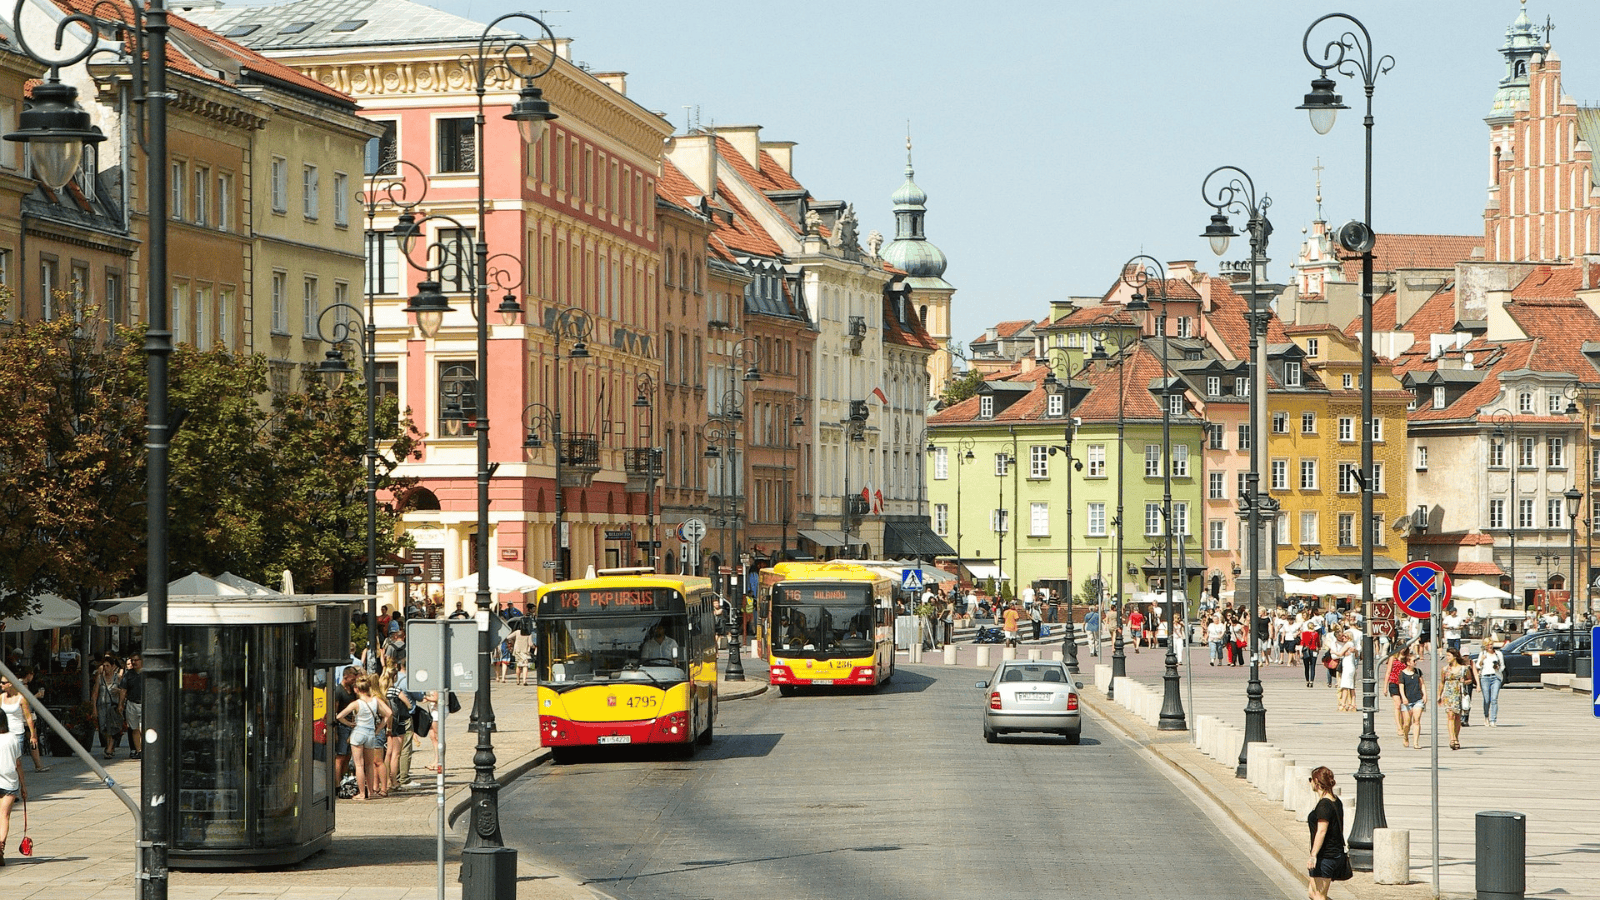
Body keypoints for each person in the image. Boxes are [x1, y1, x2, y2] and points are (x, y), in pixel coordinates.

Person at [336, 674, 391, 800]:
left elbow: (339, 716)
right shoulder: (375, 701)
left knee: (359, 765)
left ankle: (362, 793)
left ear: (356, 689)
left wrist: (350, 723)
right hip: (370, 734)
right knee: (370, 765)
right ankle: (370, 792)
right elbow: (389, 713)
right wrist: (379, 728)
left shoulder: (356, 703)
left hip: (358, 732)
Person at [1305, 766, 1349, 900]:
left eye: (1310, 780)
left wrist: (1313, 855)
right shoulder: (1336, 801)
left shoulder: (1324, 805)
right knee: (1313, 893)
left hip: (1326, 856)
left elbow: (1322, 831)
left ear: (1316, 782)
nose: (1310, 783)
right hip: (1333, 854)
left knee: (1319, 895)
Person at [0, 675, 46, 773]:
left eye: (3, 683)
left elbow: (28, 717)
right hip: (4, 734)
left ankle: (17, 782)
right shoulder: (1, 697)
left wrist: (33, 735)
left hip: (17, 733)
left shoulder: (21, 698)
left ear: (10, 684)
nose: (1, 685)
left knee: (16, 761)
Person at [0, 711, 25, 867]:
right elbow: (18, 764)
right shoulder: (12, 738)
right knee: (4, 815)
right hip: (10, 782)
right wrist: (24, 786)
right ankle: (1, 846)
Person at [92, 654, 123, 760]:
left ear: (113, 666)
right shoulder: (100, 678)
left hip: (112, 706)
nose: (105, 668)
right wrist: (94, 708)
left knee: (111, 727)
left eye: (107, 666)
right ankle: (110, 746)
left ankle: (109, 748)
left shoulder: (118, 678)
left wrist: (120, 701)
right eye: (104, 666)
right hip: (102, 705)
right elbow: (95, 693)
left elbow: (124, 692)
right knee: (103, 728)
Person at [331, 665, 359, 781]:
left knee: (348, 756)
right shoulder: (338, 691)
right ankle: (337, 784)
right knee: (340, 757)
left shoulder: (352, 690)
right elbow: (335, 712)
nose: (354, 682)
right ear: (346, 677)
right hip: (342, 726)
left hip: (350, 725)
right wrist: (345, 724)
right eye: (352, 679)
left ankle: (344, 780)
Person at [1439, 647, 1469, 751]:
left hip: (1458, 693)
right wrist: (1439, 695)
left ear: (1455, 656)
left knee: (1457, 717)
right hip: (1448, 694)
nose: (1447, 658)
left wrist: (1464, 681)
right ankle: (1452, 739)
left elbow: (1470, 680)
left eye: (1448, 656)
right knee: (1450, 715)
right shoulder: (1444, 669)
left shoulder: (1463, 669)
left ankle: (1456, 737)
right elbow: (1442, 682)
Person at [1398, 653, 1426, 749]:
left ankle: (1416, 743)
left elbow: (1422, 684)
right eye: (1414, 661)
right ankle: (1406, 737)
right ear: (1408, 662)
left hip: (1417, 699)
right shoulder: (1402, 674)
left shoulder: (1418, 672)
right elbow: (1401, 687)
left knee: (1417, 720)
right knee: (1407, 723)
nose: (1415, 663)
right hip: (1407, 700)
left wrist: (1425, 695)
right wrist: (1404, 698)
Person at [119, 652, 144, 760]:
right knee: (134, 728)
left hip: (144, 704)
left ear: (141, 661)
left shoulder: (146, 673)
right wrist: (120, 704)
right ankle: (139, 751)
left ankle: (144, 749)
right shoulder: (128, 674)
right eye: (132, 660)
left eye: (136, 660)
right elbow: (123, 690)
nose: (133, 662)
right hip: (132, 703)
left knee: (143, 728)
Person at [1475, 638, 1506, 726]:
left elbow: (1503, 666)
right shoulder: (1483, 654)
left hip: (1496, 677)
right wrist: (1481, 659)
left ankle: (1493, 719)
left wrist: (1498, 668)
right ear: (1485, 646)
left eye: (1491, 644)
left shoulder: (1498, 654)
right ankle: (1486, 716)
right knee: (1487, 699)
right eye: (1488, 645)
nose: (1490, 646)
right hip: (1485, 677)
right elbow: (1478, 665)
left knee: (1494, 699)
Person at [1387, 649, 1409, 739]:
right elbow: (1388, 671)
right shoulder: (1393, 658)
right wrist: (1385, 686)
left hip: (1404, 684)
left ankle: (1404, 725)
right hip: (1393, 682)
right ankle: (1399, 727)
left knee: (1404, 706)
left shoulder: (1407, 659)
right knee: (1397, 705)